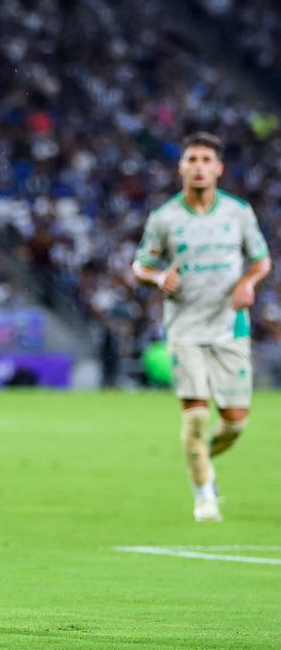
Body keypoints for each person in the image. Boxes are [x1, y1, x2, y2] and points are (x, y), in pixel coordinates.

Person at [131, 132, 271, 522]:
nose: (199, 166)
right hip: (185, 328)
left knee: (234, 424)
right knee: (195, 416)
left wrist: (247, 283)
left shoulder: (238, 213)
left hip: (230, 328)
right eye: (191, 159)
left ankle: (201, 458)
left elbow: (261, 260)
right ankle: (204, 494)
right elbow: (140, 263)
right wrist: (157, 279)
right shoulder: (165, 217)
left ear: (219, 168)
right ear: (181, 167)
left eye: (207, 159)